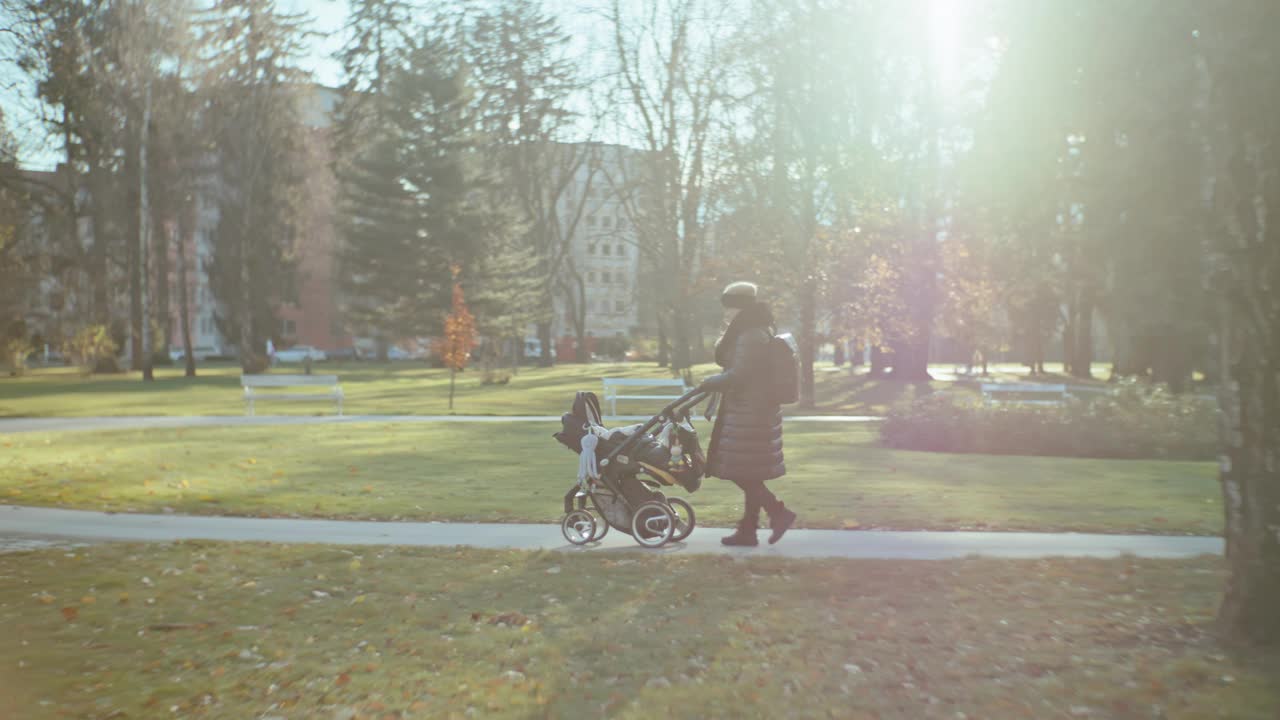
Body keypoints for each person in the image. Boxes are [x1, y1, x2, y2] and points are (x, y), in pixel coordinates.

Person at [698, 281, 796, 546]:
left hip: (750, 412)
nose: (725, 314)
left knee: (740, 471)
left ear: (739, 307)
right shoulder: (754, 329)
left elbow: (739, 374)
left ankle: (778, 512)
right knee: (750, 472)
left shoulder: (750, 334)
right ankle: (748, 531)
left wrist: (710, 382)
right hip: (752, 410)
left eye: (729, 308)